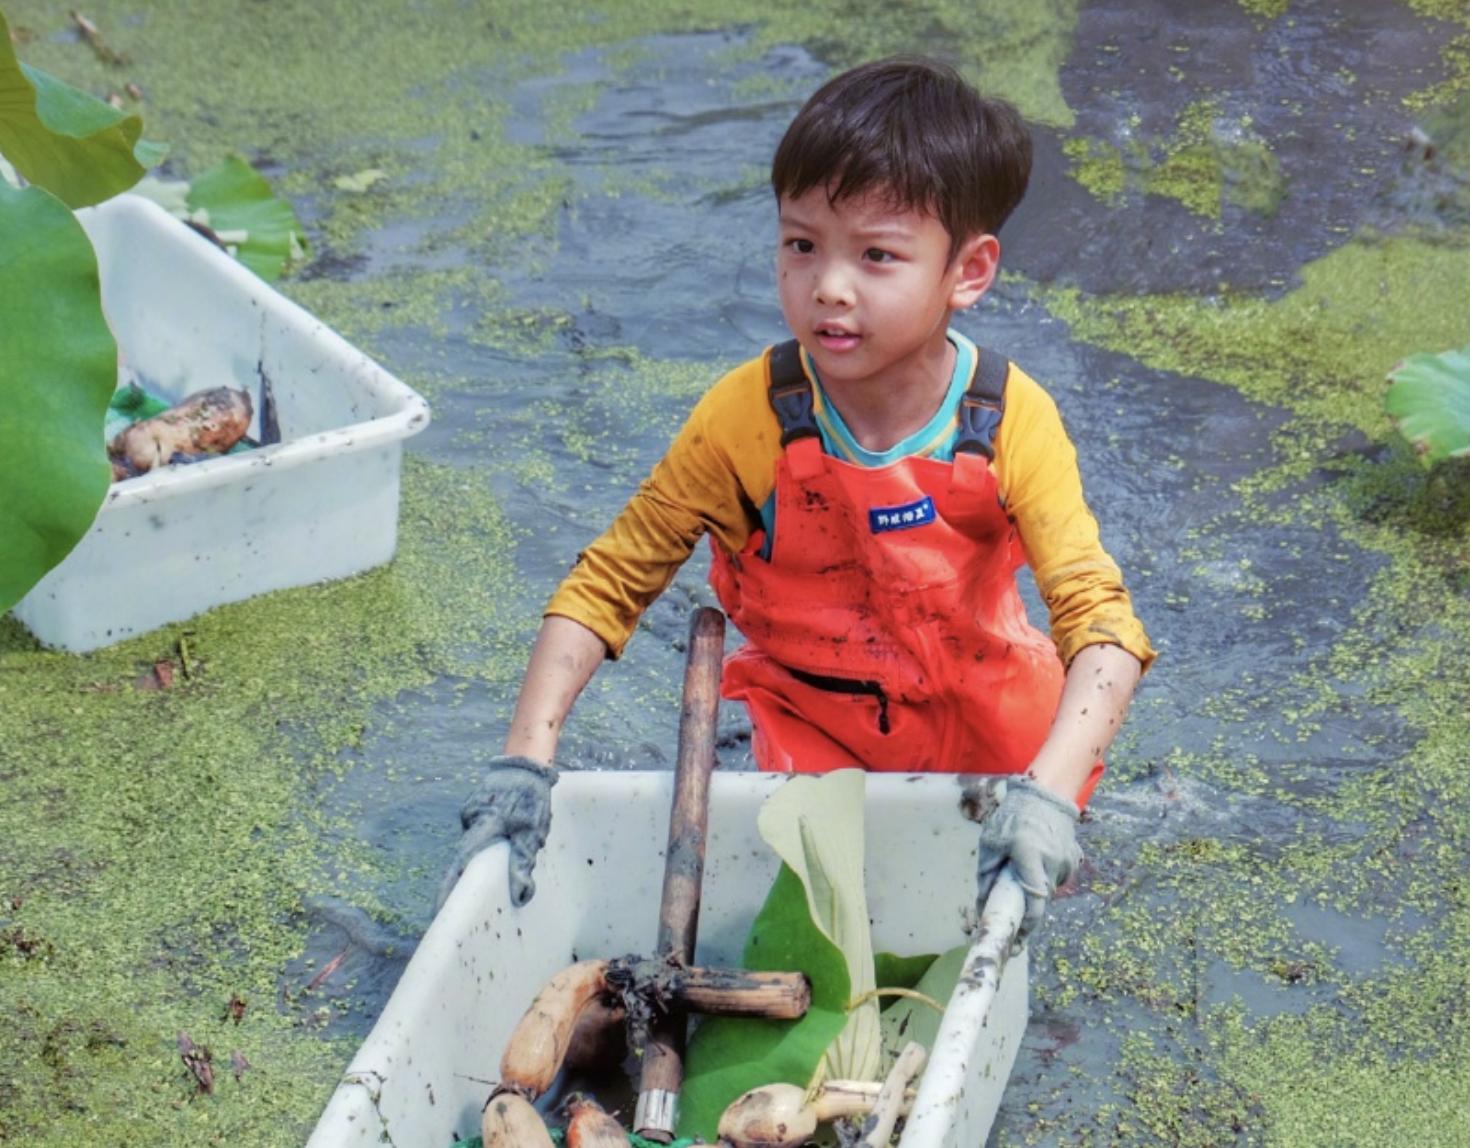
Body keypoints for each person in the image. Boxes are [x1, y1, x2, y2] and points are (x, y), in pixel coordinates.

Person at [442, 56, 1155, 942]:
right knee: (821, 934)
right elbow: (608, 585)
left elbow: (1105, 628)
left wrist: (1048, 791)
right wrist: (527, 758)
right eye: (801, 243)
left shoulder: (1008, 421)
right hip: (819, 738)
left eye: (878, 255)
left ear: (968, 272)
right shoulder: (747, 419)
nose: (829, 287)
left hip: (996, 738)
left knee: (1024, 928)